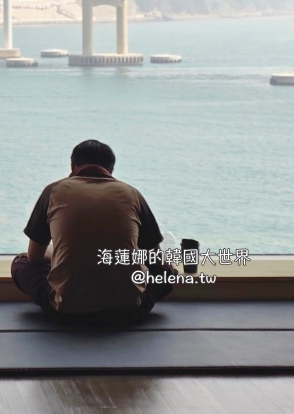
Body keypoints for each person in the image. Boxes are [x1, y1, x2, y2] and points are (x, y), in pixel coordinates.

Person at [11, 139, 177, 324]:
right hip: (129, 312)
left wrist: (57, 253)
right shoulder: (132, 193)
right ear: (111, 169)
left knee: (21, 262)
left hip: (66, 313)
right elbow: (155, 259)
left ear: (72, 166)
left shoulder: (53, 191)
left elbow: (34, 257)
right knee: (165, 269)